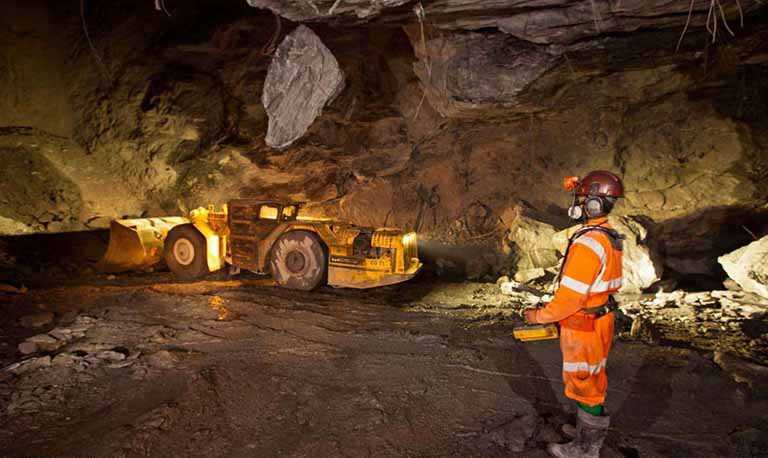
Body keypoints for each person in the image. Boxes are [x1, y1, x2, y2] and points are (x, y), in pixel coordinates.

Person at [523, 170, 625, 458]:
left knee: (585, 382)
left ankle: (585, 449)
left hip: (584, 323)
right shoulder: (607, 236)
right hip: (599, 317)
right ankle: (584, 431)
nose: (577, 203)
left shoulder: (588, 243)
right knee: (591, 377)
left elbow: (569, 299)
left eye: (581, 197)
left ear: (594, 203)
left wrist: (538, 316)